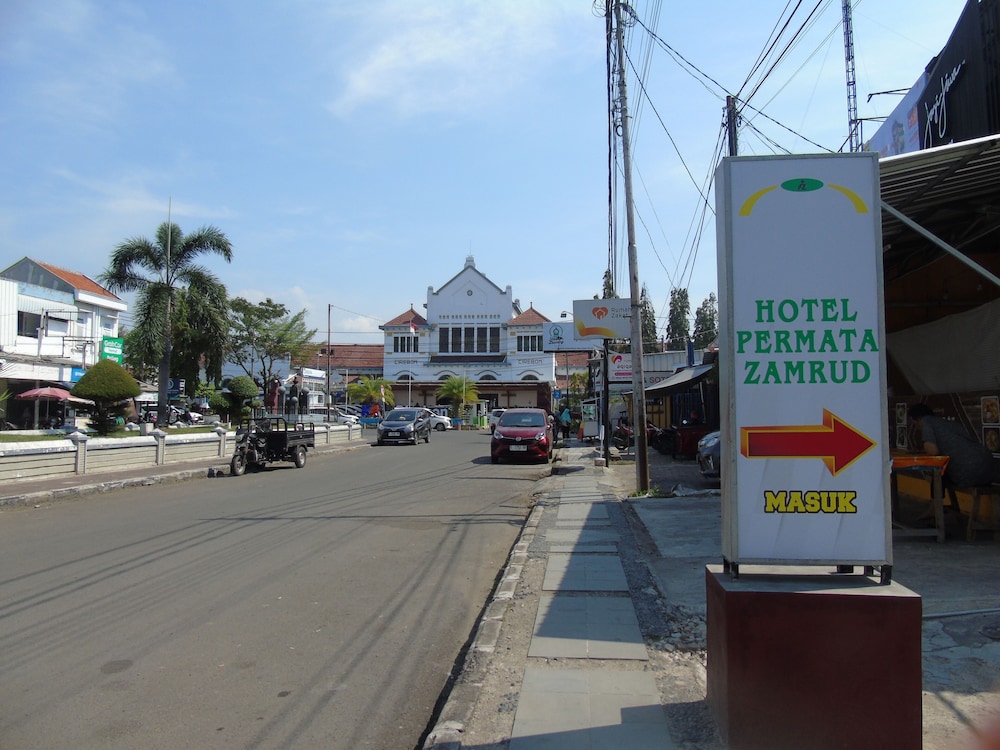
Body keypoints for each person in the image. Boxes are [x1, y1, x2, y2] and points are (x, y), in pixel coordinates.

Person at [908, 403, 996, 487]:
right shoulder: (950, 424)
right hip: (989, 470)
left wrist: (925, 447)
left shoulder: (926, 421)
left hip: (968, 473)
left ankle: (937, 501)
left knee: (936, 478)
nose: (917, 427)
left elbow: (933, 451)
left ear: (918, 419)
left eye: (914, 424)